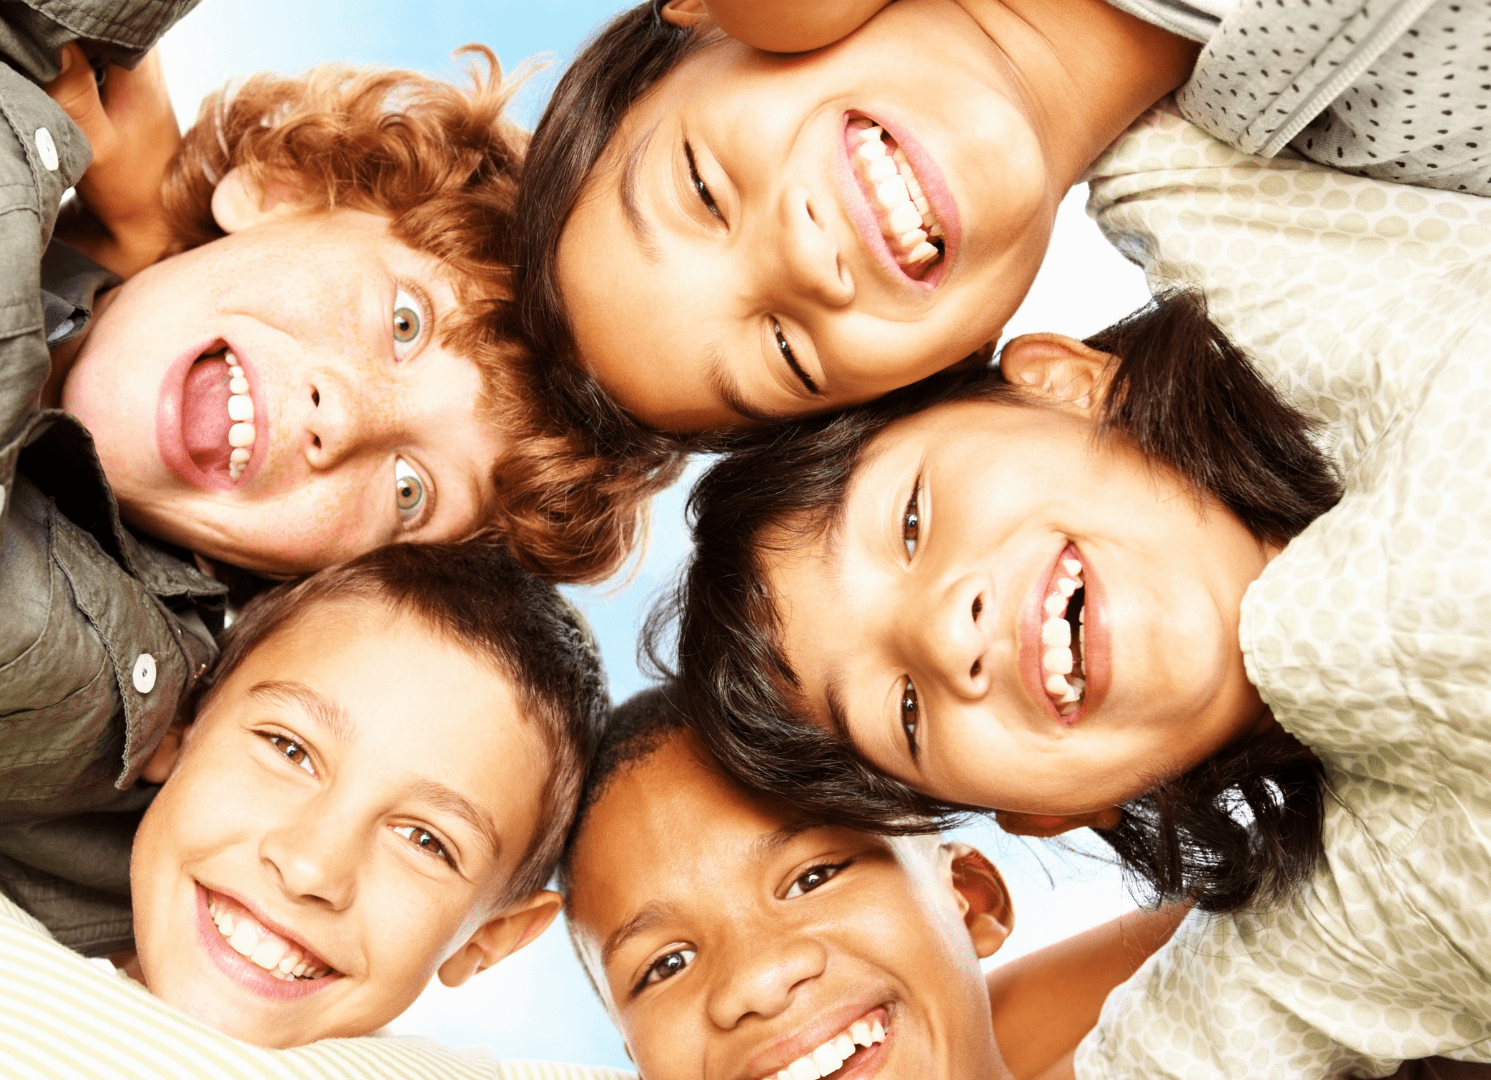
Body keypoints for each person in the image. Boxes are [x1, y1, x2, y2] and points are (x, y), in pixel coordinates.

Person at [0, 3, 667, 1025]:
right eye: (403, 322)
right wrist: (158, 224)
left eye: (409, 492)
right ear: (286, 191)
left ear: (326, 581)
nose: (345, 420)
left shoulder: (129, 711)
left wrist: (163, 255)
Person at [667, 225, 1491, 1074]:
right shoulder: (1348, 924)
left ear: (1063, 383)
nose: (948, 634)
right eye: (905, 710)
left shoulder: (1352, 304)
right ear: (1049, 810)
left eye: (911, 521)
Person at [0, 542, 621, 1073]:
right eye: (289, 749)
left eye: (426, 840)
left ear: (492, 936)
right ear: (178, 722)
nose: (310, 868)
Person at [511, 0, 1491, 434]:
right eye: (789, 354)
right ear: (957, 360)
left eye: (701, 189)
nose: (806, 260)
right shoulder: (1370, 178)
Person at [560, 686, 1188, 1080]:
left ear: (970, 900)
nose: (756, 982)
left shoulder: (1214, 1018)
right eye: (666, 963)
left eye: (813, 877)